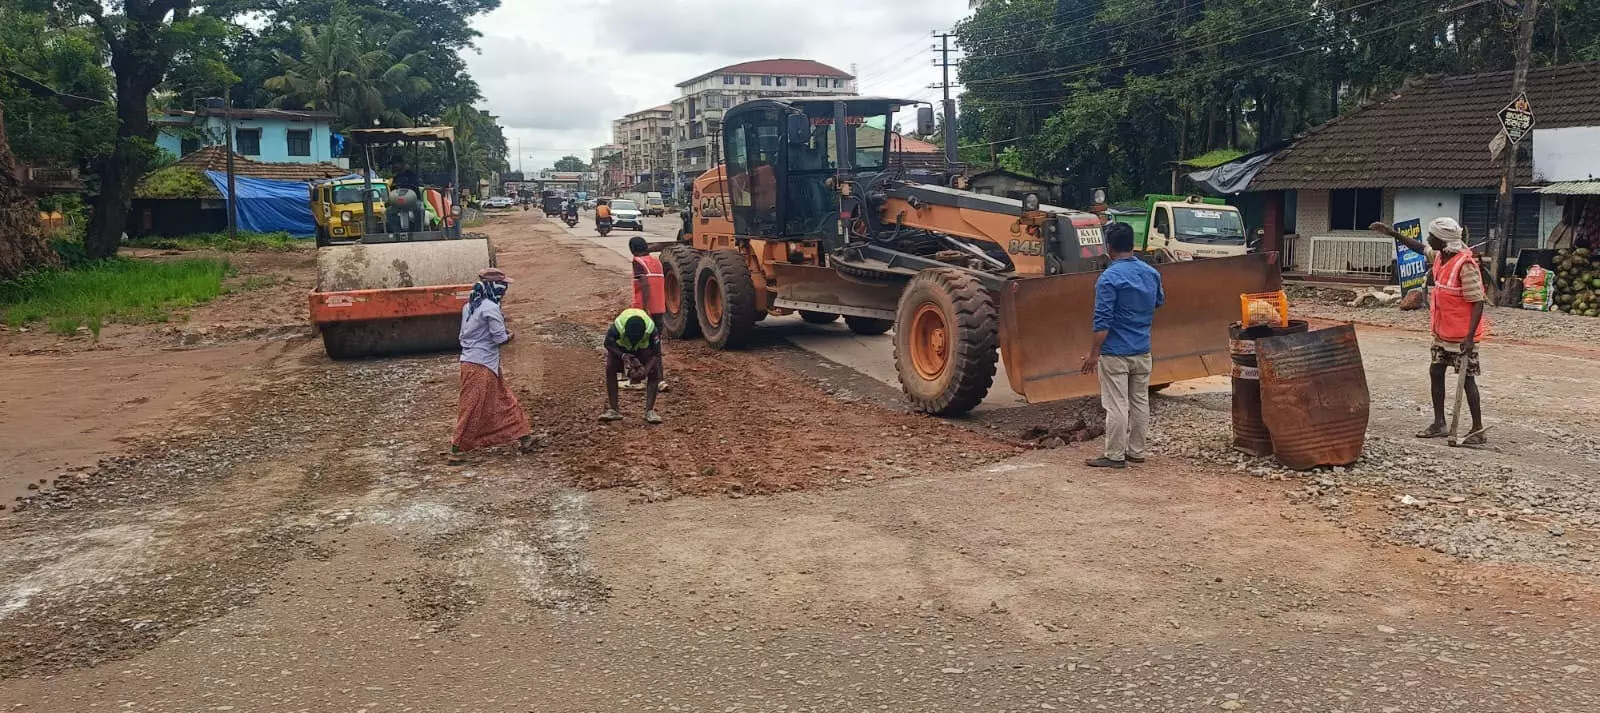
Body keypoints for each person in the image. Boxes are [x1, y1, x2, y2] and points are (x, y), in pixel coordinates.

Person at [1370, 217, 1489, 444]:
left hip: (1462, 336)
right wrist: (1392, 233)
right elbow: (1418, 248)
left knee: (1467, 380)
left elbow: (1478, 301)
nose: (1427, 239)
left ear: (1442, 240)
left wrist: (1470, 338)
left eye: (1431, 236)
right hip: (1442, 332)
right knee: (1436, 372)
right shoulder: (1440, 257)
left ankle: (1478, 429)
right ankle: (1439, 423)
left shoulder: (1465, 266)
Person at [1080, 222, 1164, 469]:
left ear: (1109, 248)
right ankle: (1136, 451)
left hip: (1115, 353)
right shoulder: (1151, 273)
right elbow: (1159, 301)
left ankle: (1114, 455)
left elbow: (1102, 323)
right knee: (1140, 401)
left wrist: (1093, 355)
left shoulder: (1108, 279)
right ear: (1132, 245)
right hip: (1142, 350)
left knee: (1116, 404)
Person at [452, 268, 535, 460]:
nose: (505, 290)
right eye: (503, 285)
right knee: (472, 407)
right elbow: (499, 338)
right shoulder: (491, 308)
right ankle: (456, 450)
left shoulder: (469, 306)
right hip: (482, 364)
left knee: (504, 399)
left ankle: (525, 437)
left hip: (473, 361)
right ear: (497, 287)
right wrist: (510, 336)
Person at [600, 308, 663, 425]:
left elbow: (656, 353)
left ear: (644, 333)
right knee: (610, 368)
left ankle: (650, 411)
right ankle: (614, 410)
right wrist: (623, 355)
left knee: (654, 371)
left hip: (642, 348)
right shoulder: (617, 327)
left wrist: (645, 370)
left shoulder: (651, 329)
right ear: (625, 332)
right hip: (622, 348)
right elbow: (607, 343)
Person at [621, 237, 669, 391]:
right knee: (655, 347)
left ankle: (636, 380)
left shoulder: (638, 262)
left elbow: (644, 284)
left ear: (632, 249)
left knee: (634, 344)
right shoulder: (657, 262)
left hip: (643, 311)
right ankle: (660, 381)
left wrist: (645, 309)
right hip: (659, 310)